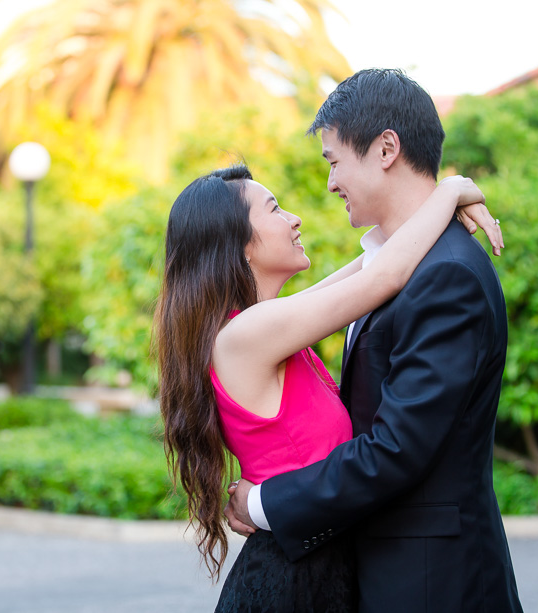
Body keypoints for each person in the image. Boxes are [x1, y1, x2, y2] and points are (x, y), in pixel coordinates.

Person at [224, 68, 524, 612]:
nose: (330, 182)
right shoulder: (398, 266)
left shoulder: (445, 274)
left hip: (433, 584)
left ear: (386, 149)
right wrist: (450, 190)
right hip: (388, 572)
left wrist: (264, 503)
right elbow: (378, 271)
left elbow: (396, 448)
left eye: (333, 161)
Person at [155, 161, 501, 607]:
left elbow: (375, 262)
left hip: (314, 561)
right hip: (297, 579)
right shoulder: (249, 334)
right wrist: (450, 190)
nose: (294, 219)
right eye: (275, 209)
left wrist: (433, 209)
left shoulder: (260, 326)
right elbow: (383, 277)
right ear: (239, 244)